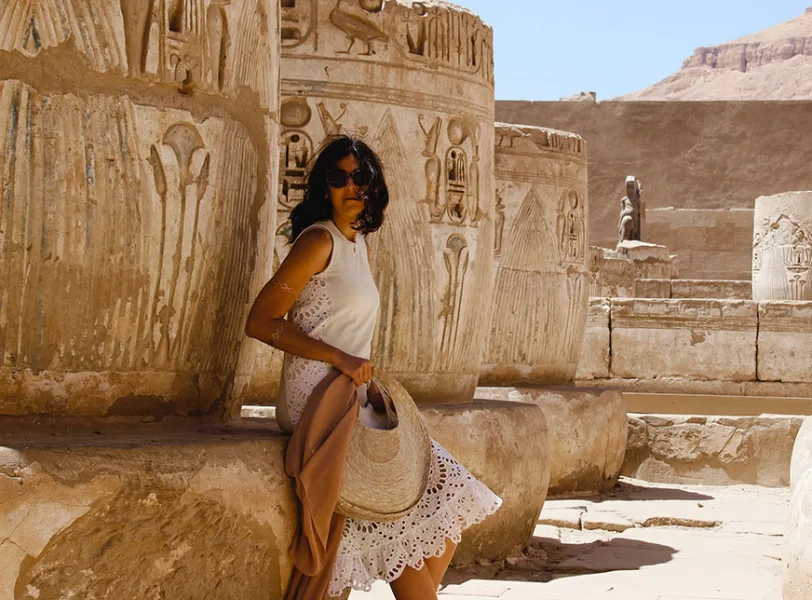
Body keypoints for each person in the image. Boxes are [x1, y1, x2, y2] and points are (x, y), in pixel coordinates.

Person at [245, 136, 502, 599]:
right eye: (337, 177)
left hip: (353, 395)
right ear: (325, 187)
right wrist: (339, 358)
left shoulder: (357, 243)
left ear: (374, 186)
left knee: (446, 509)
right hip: (319, 402)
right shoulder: (318, 241)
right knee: (398, 531)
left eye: (359, 177)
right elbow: (261, 321)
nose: (350, 186)